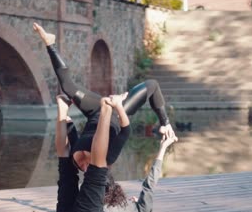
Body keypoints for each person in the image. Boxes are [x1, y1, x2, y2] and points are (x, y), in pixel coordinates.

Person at [33, 23, 176, 171]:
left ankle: (50, 43)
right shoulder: (108, 157)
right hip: (117, 111)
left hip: (95, 111)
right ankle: (165, 121)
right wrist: (163, 122)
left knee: (68, 87)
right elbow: (126, 131)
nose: (84, 168)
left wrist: (64, 115)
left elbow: (69, 132)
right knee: (152, 85)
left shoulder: (74, 160)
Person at [55, 93, 176, 212]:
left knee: (96, 168)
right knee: (66, 169)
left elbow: (150, 184)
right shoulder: (115, 206)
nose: (133, 199)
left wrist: (163, 148)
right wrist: (163, 148)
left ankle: (105, 110)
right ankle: (63, 110)